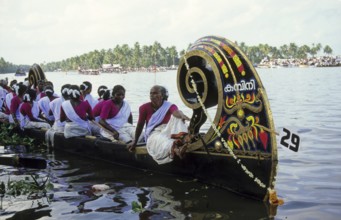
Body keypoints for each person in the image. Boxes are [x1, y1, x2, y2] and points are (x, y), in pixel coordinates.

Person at [127, 85, 191, 164]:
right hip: (153, 133)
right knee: (160, 139)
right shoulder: (143, 108)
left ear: (162, 95)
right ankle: (176, 150)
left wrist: (182, 115)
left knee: (177, 118)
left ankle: (183, 139)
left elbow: (176, 112)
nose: (152, 95)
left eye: (155, 93)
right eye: (151, 93)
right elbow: (140, 125)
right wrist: (135, 141)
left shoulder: (169, 105)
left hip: (166, 129)